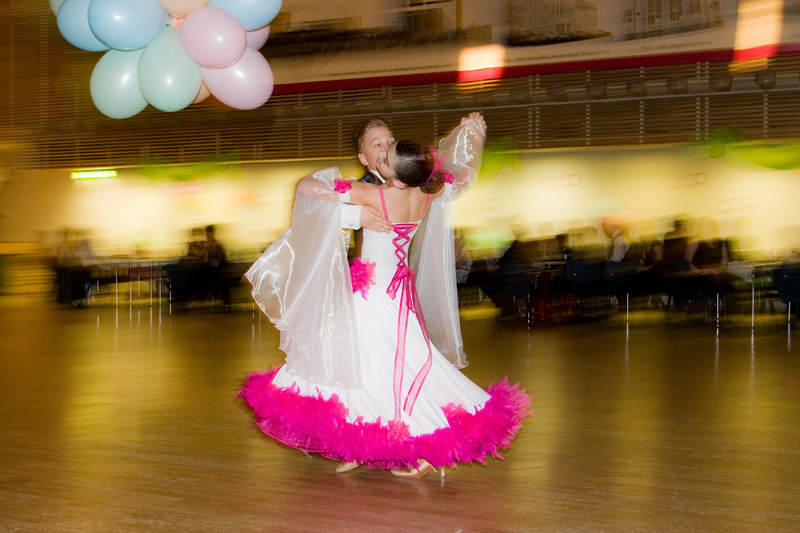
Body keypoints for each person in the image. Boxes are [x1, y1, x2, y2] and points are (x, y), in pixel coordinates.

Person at [239, 113, 532, 478]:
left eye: (389, 144)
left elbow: (307, 189)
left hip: (373, 297)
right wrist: (473, 135)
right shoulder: (427, 191)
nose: (385, 149)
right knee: (373, 367)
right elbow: (462, 174)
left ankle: (429, 443)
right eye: (377, 144)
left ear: (397, 168)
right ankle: (361, 443)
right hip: (396, 297)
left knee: (355, 364)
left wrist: (355, 213)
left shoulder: (371, 193)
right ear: (364, 157)